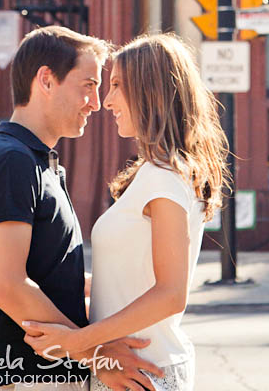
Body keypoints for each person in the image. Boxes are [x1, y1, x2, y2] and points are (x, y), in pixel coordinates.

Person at [20, 33, 230, 391]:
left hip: (143, 370)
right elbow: (133, 274)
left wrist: (77, 342)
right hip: (130, 367)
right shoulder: (154, 172)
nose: (107, 101)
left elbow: (170, 293)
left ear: (150, 92)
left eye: (117, 86)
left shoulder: (165, 177)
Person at [0, 25, 161, 391]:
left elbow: (50, 275)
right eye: (88, 85)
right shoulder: (11, 161)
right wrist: (97, 353)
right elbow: (7, 287)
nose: (96, 103)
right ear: (46, 81)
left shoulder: (41, 164)